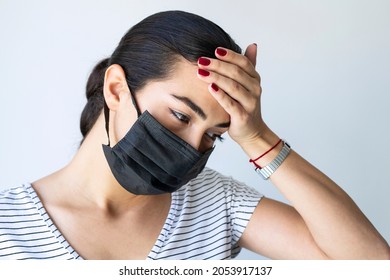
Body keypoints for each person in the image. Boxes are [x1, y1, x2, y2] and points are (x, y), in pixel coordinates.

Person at [0, 10, 389, 260]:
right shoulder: (8, 224)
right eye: (180, 115)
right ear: (116, 89)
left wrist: (257, 138)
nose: (189, 148)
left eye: (213, 136)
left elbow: (371, 267)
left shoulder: (215, 202)